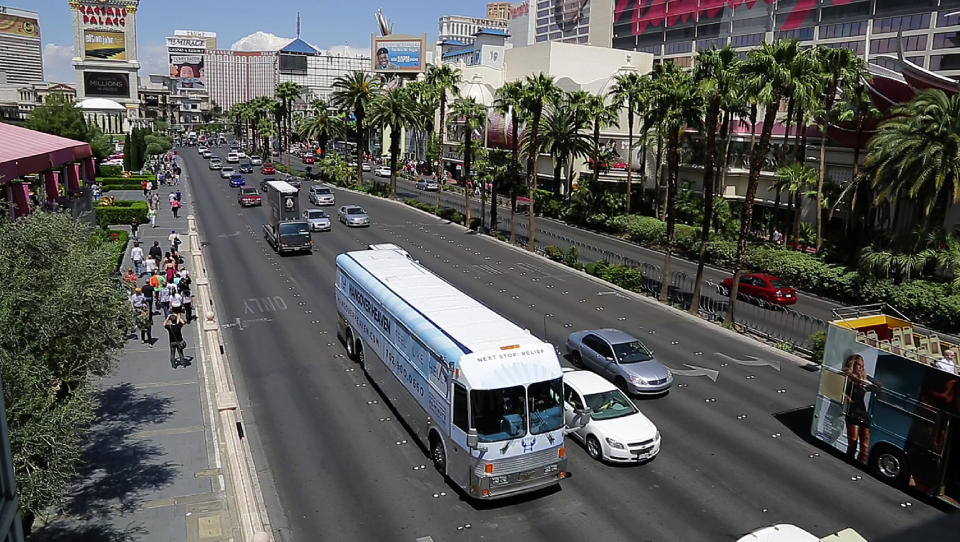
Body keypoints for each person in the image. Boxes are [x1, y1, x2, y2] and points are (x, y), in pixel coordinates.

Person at [843, 354, 878, 464]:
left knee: (865, 446)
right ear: (853, 365)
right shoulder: (848, 376)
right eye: (858, 365)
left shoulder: (864, 378)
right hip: (852, 412)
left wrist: (868, 383)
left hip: (863, 412)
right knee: (853, 442)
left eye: (862, 366)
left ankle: (860, 464)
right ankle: (849, 463)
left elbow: (878, 386)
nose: (861, 368)